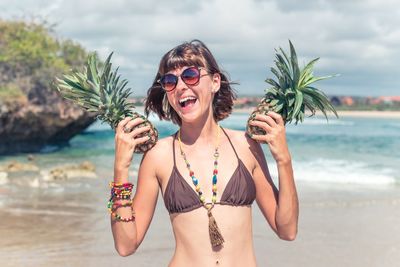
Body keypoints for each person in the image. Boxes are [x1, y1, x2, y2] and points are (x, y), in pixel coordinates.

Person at [110, 40, 299, 266]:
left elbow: (287, 230)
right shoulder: (158, 155)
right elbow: (125, 245)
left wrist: (283, 160)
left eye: (190, 75)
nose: (180, 86)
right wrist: (120, 168)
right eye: (170, 81)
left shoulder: (246, 146)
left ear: (215, 82)